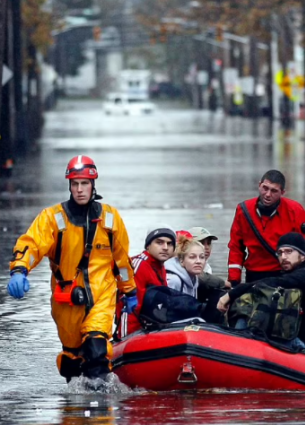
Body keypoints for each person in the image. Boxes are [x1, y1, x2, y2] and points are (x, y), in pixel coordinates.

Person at [6, 155, 137, 384]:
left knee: (97, 346)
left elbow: (121, 261)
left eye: (84, 183)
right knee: (72, 362)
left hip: (101, 294)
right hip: (67, 299)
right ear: (69, 185)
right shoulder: (53, 218)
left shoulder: (110, 219)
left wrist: (130, 291)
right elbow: (32, 244)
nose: (79, 189)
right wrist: (20, 269)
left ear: (93, 184)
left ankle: (99, 406)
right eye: (75, 184)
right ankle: (77, 410)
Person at [218, 232, 305, 356]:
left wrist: (230, 295)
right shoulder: (302, 273)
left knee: (247, 319)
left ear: (303, 255)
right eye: (280, 253)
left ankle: (234, 352)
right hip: (299, 340)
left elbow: (270, 283)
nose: (283, 257)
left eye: (289, 252)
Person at [227, 170, 305, 286]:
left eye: (274, 191)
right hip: (254, 274)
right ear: (259, 185)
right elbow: (236, 247)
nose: (268, 194)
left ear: (282, 192)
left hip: (285, 273)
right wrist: (234, 281)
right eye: (265, 188)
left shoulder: (295, 211)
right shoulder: (244, 210)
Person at [119, 225, 177, 337]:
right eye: (159, 242)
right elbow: (127, 307)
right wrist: (125, 338)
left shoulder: (160, 266)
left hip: (150, 330)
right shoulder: (139, 265)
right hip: (133, 333)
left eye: (169, 244)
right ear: (148, 246)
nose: (165, 247)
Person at [188, 226, 228, 295]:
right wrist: (223, 283)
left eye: (209, 243)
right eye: (201, 243)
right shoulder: (184, 265)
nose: (206, 247)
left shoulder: (207, 267)